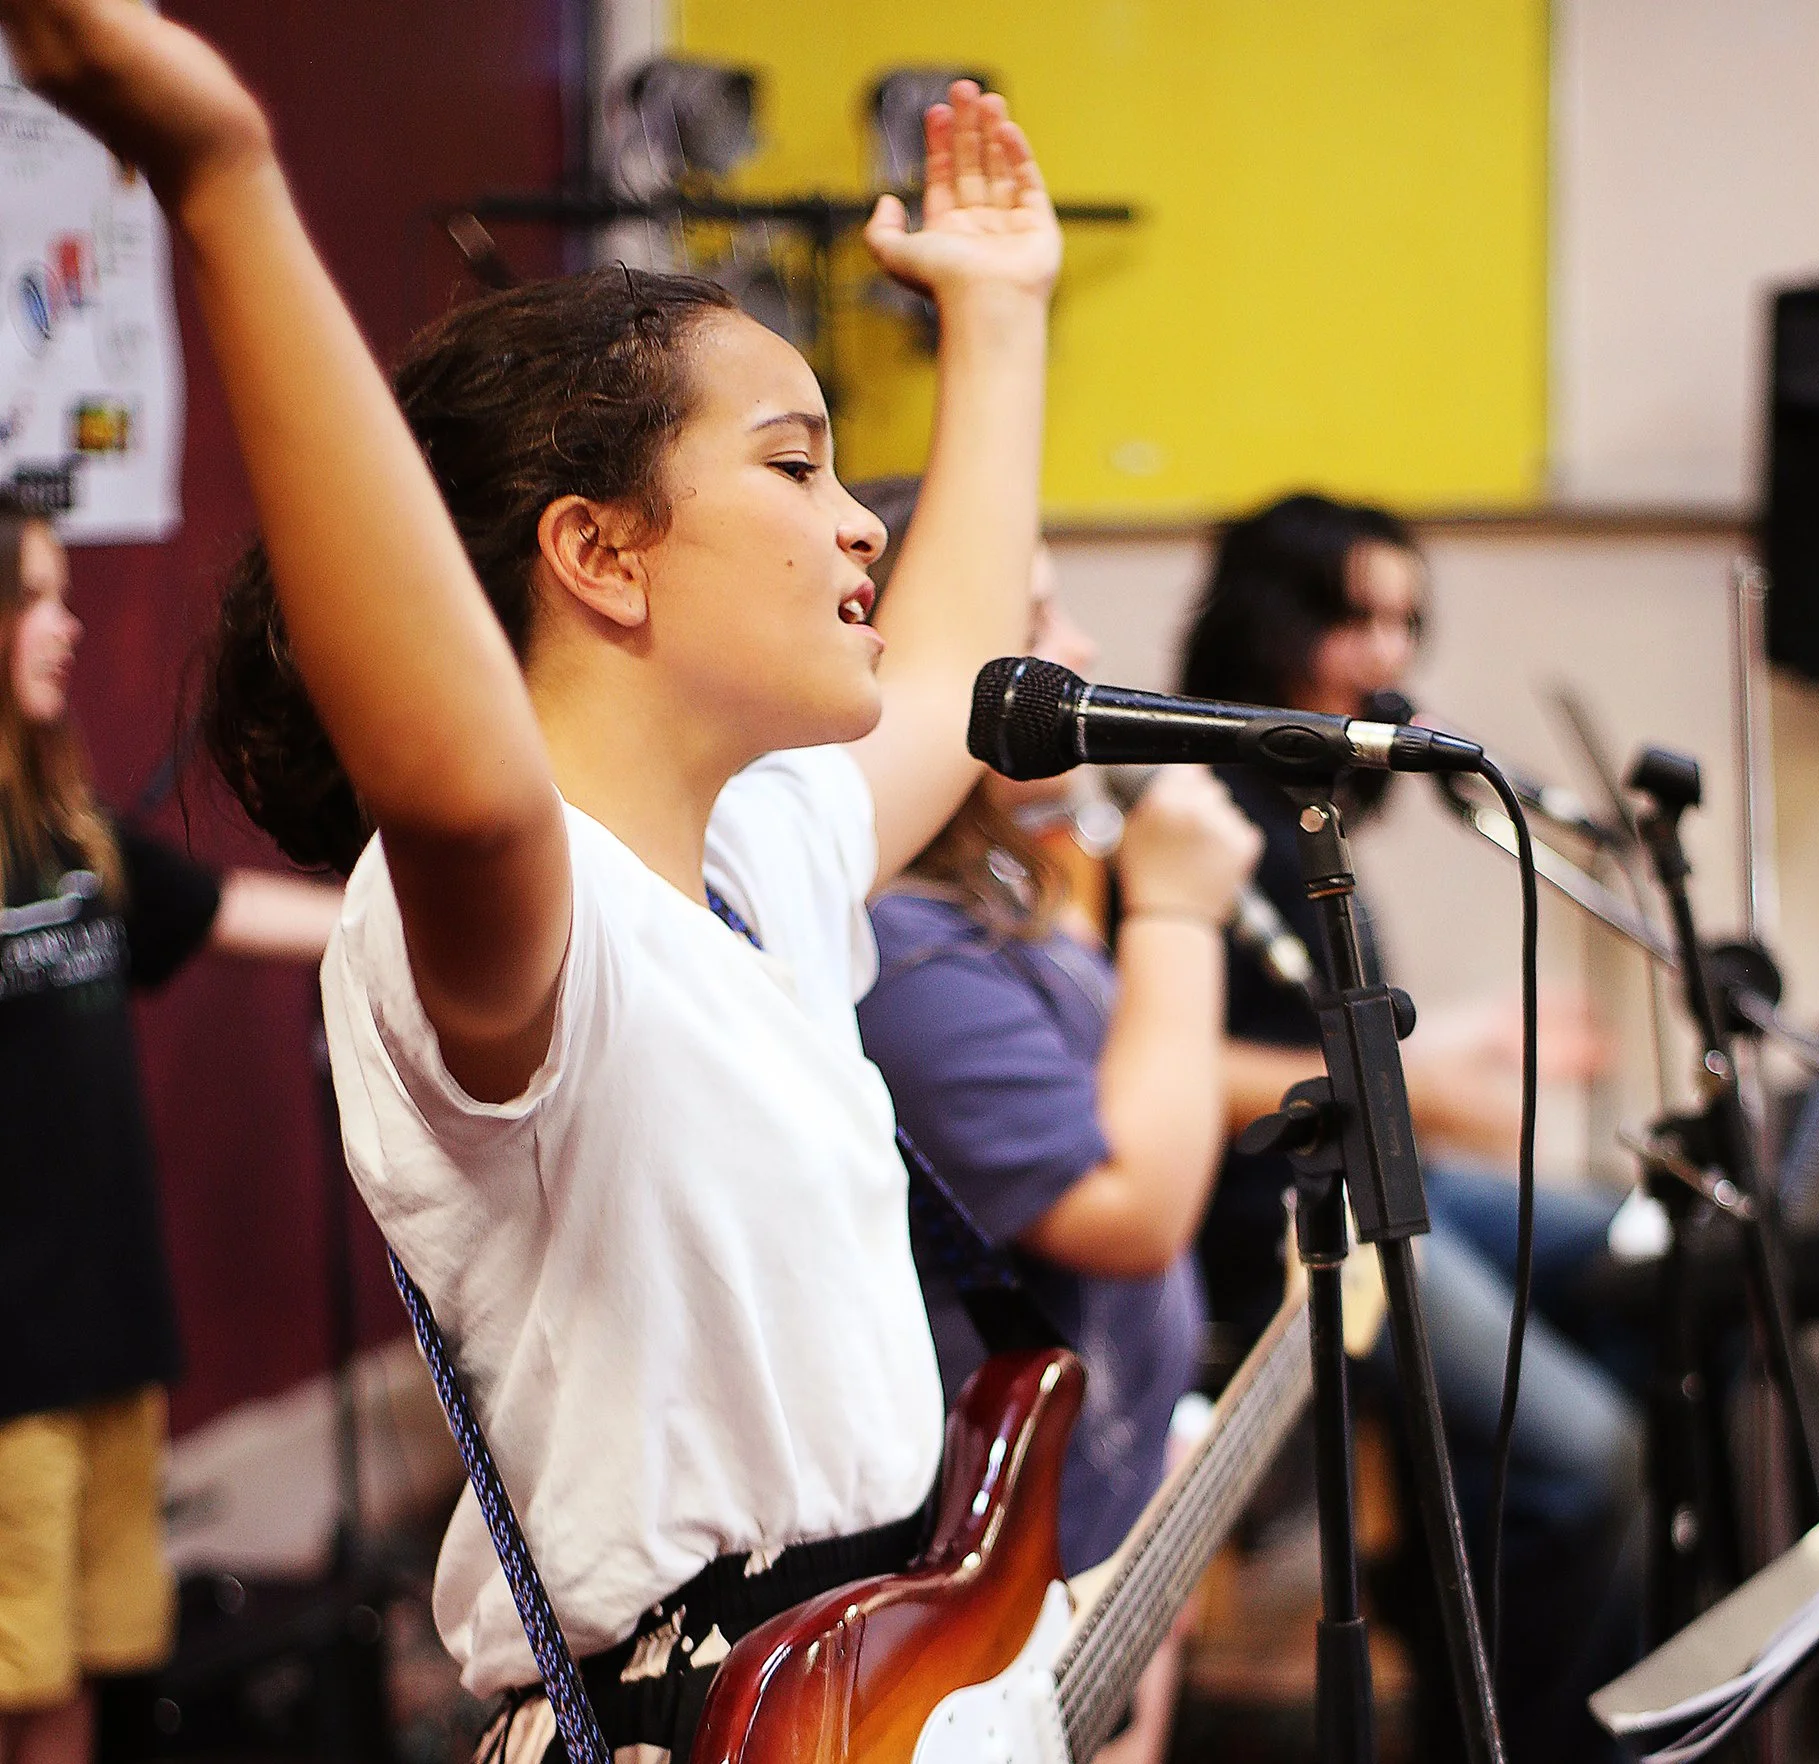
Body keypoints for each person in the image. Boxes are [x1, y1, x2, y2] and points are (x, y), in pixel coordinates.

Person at [0, 7, 1058, 1761]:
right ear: (596, 552)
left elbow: (950, 674)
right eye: (794, 465)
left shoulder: (748, 856)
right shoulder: (514, 916)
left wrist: (999, 312)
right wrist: (226, 177)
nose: (861, 518)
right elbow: (451, 765)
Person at [1180, 490, 1643, 1764]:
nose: (1387, 655)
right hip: (1274, 1220)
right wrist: (1424, 1091)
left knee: (1646, 1256)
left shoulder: (1303, 799)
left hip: (1378, 1165)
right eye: (1352, 618)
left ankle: (1501, 1630)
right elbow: (1186, 1064)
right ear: (1271, 622)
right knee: (1590, 1456)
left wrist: (1469, 1042)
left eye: (1403, 621)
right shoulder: (1206, 814)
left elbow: (1322, 1035)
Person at [851, 483, 1261, 1763]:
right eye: (1034, 617)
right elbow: (1129, 1206)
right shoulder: (901, 946)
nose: (1076, 652)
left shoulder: (1009, 893)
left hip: (1111, 1509)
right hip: (1014, 1567)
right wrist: (1179, 913)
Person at [0, 508, 339, 1764]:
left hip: (108, 1340)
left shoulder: (68, 837)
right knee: (16, 1679)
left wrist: (449, 903)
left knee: (87, 1668)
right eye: (35, 596)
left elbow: (239, 911)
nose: (67, 623)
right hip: (9, 1379)